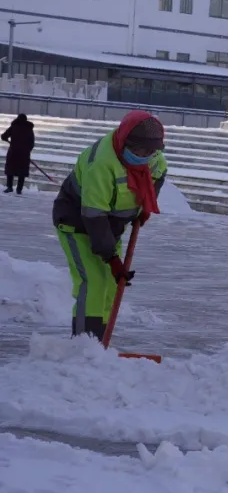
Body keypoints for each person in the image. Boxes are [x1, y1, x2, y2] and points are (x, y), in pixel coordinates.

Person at [52, 110, 168, 341]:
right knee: (94, 282)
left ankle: (100, 344)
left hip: (111, 227)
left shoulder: (152, 158)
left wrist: (145, 204)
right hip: (77, 223)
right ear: (124, 141)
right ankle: (85, 344)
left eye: (150, 151)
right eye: (139, 151)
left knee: (111, 288)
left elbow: (159, 174)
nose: (145, 156)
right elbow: (94, 216)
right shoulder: (102, 164)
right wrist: (113, 259)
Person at [2, 113, 35, 194]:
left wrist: (9, 141)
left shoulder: (14, 126)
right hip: (24, 153)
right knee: (22, 171)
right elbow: (32, 142)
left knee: (10, 170)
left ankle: (9, 187)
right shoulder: (29, 129)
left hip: (13, 151)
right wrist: (27, 150)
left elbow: (3, 136)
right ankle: (19, 189)